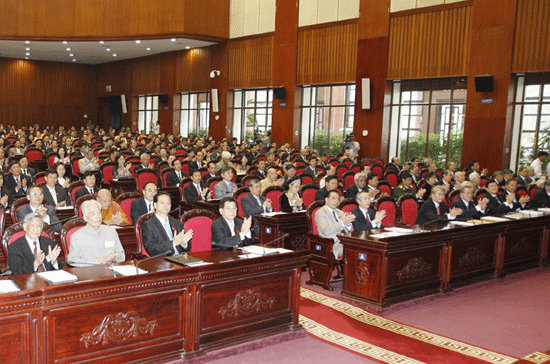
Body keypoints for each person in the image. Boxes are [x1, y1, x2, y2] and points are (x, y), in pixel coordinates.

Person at [67, 200, 125, 266]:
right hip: (90, 272)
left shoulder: (111, 231)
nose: (97, 216)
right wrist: (95, 262)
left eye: (99, 212)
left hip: (111, 270)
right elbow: (73, 260)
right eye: (93, 214)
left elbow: (121, 255)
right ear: (85, 217)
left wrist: (114, 258)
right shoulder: (76, 237)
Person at [142, 192, 193, 256]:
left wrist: (184, 243)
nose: (165, 205)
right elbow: (151, 249)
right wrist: (173, 243)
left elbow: (187, 248)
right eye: (162, 203)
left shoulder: (176, 222)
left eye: (168, 203)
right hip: (162, 261)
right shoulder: (148, 225)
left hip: (180, 258)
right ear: (155, 205)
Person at [315, 190, 355, 258]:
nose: (336, 201)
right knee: (353, 253)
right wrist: (342, 222)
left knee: (363, 249)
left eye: (338, 199)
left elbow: (350, 231)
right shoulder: (320, 213)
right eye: (333, 198)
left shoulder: (340, 212)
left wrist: (348, 223)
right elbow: (326, 231)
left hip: (345, 242)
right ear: (326, 200)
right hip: (332, 244)